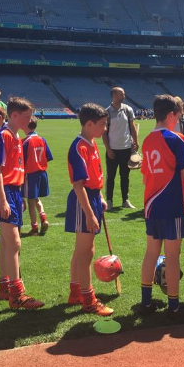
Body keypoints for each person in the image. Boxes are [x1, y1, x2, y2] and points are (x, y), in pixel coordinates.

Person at [138, 95, 184, 319]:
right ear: (170, 115)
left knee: (151, 252)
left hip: (150, 204)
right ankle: (174, 306)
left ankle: (145, 302)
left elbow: (145, 177)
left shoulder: (147, 140)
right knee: (173, 256)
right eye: (178, 116)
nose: (178, 120)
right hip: (172, 205)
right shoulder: (176, 139)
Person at [0, 97, 44, 309]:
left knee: (6, 242)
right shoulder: (4, 136)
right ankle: (17, 295)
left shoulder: (16, 136)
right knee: (14, 244)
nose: (30, 120)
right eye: (27, 116)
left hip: (13, 191)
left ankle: (4, 286)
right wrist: (3, 199)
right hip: (5, 191)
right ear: (14, 115)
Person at [65, 103, 114, 316]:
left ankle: (76, 292)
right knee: (86, 253)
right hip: (82, 200)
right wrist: (89, 213)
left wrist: (100, 196)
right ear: (89, 123)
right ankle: (88, 299)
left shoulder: (92, 143)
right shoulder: (79, 147)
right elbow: (78, 185)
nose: (105, 129)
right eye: (102, 125)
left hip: (92, 196)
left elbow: (94, 176)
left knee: (82, 250)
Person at [102, 86, 139, 210]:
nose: (124, 96)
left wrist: (136, 142)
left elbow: (132, 127)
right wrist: (108, 149)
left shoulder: (128, 109)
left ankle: (125, 200)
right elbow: (104, 133)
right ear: (114, 96)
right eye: (122, 94)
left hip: (126, 149)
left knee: (125, 176)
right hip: (113, 150)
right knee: (111, 176)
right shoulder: (107, 112)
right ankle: (109, 201)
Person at [22, 116, 53, 235]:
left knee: (30, 201)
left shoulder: (25, 141)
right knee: (36, 199)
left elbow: (22, 161)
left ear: (26, 126)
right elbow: (48, 157)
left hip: (31, 174)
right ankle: (43, 218)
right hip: (42, 173)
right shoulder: (42, 139)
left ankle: (34, 228)